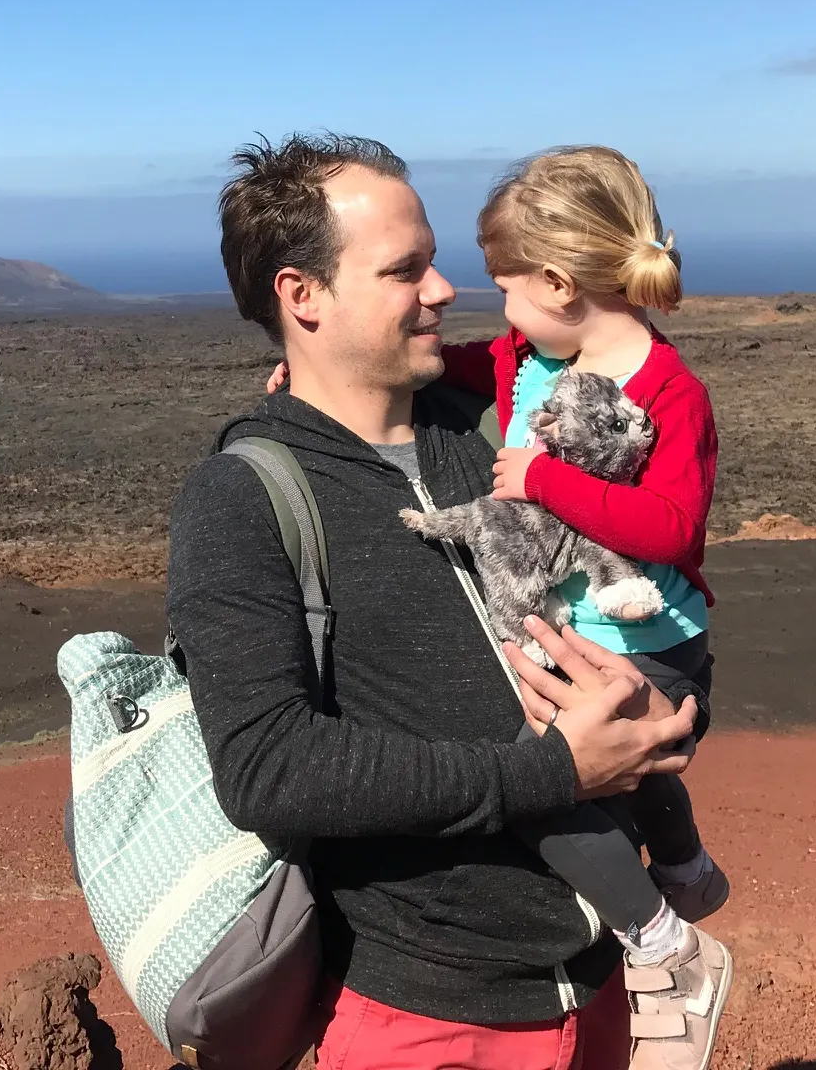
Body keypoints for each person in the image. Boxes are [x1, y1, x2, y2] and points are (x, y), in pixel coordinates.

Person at [167, 132, 698, 1069]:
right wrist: (553, 776)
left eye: (436, 261)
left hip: (603, 993)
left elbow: (637, 586)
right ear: (303, 296)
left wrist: (660, 726)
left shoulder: (499, 427)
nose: (447, 290)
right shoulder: (246, 494)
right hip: (427, 1023)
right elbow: (267, 768)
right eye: (405, 270)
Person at [440, 145, 731, 1068]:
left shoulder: (670, 395)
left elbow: (668, 525)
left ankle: (664, 946)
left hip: (647, 636)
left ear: (561, 283)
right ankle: (684, 869)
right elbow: (468, 368)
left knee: (541, 785)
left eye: (509, 290)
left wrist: (544, 478)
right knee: (633, 771)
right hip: (587, 632)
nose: (503, 313)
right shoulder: (531, 353)